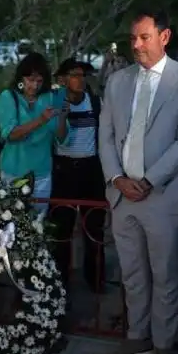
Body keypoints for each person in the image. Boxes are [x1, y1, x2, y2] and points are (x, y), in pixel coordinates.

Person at [98, 9, 178, 354]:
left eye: (144, 37)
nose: (136, 45)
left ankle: (164, 347)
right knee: (131, 274)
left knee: (165, 275)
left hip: (165, 195)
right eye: (133, 38)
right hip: (122, 196)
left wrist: (147, 180)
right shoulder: (117, 81)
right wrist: (116, 178)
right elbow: (107, 136)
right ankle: (136, 337)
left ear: (165, 37)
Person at [50, 58, 107, 298]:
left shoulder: (94, 102)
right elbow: (58, 137)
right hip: (64, 170)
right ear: (62, 79)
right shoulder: (54, 103)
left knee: (94, 227)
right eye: (74, 75)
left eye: (83, 75)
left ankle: (95, 279)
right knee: (62, 229)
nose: (80, 80)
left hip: (91, 168)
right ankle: (60, 281)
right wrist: (62, 115)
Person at [0, 52, 68, 215]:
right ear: (21, 78)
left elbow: (61, 138)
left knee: (38, 224)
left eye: (39, 81)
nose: (34, 85)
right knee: (10, 223)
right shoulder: (8, 97)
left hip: (41, 174)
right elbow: (11, 134)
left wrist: (63, 116)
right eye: (30, 80)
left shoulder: (50, 98)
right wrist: (41, 120)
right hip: (13, 173)